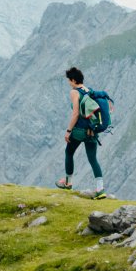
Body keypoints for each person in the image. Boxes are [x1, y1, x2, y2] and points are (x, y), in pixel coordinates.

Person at [57, 66, 106, 199]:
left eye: (69, 80)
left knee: (69, 152)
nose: (69, 83)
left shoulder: (74, 92)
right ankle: (100, 189)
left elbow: (75, 114)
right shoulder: (89, 90)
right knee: (92, 159)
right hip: (92, 131)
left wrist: (68, 131)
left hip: (79, 130)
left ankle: (68, 183)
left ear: (73, 80)